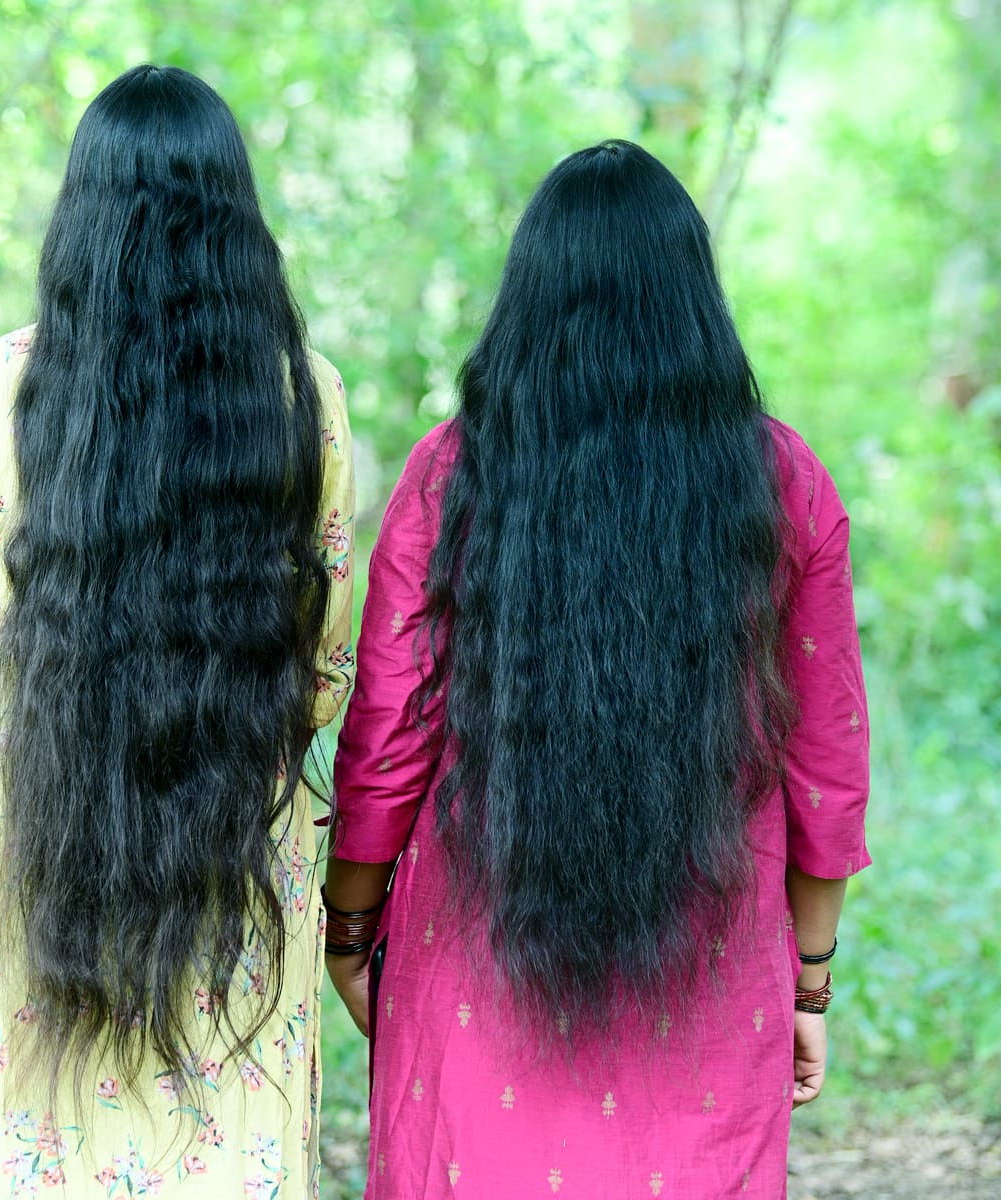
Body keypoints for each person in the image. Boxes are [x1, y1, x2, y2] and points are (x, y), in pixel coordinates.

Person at [324, 139, 869, 1198]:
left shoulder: (454, 473)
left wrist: (350, 932)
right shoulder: (783, 480)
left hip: (476, 968)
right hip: (710, 986)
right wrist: (808, 986)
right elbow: (826, 764)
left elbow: (388, 735)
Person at [0, 65, 354, 1199]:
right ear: (234, 218)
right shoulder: (300, 393)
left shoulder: (1, 382)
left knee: (21, 1153)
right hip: (235, 837)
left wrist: (45, 773)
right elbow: (327, 653)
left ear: (84, 216)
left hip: (33, 829)